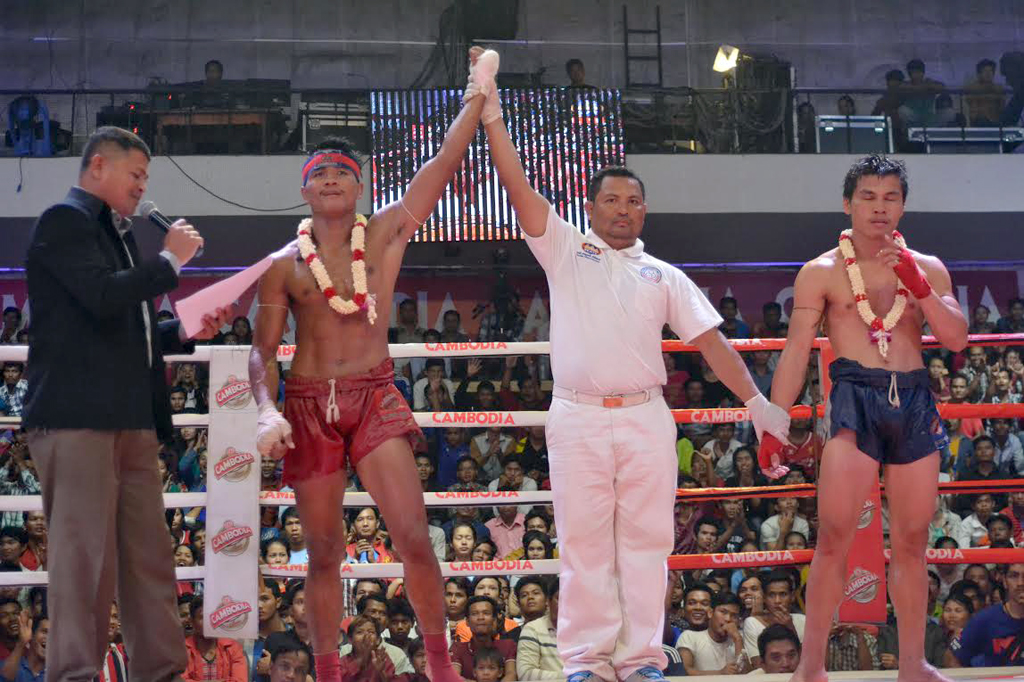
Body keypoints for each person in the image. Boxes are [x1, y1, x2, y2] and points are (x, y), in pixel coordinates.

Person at [478, 62, 790, 682]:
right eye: (611, 200)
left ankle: (642, 658)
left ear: (645, 210)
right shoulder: (564, 248)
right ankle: (586, 661)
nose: (623, 210)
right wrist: (490, 113)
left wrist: (756, 402)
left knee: (648, 544)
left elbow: (711, 344)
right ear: (590, 207)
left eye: (633, 201)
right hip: (577, 414)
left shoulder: (664, 275)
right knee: (585, 544)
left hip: (646, 416)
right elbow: (516, 185)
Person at [249, 48, 491, 682]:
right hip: (307, 402)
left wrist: (477, 94)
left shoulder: (384, 233)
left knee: (413, 537)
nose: (331, 178)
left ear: (361, 186)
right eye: (320, 172)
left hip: (375, 393)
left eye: (342, 171)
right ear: (304, 190)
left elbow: (442, 165)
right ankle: (329, 674)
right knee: (323, 552)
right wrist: (267, 410)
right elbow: (261, 352)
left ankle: (440, 668)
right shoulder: (282, 265)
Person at [21, 126, 229, 682]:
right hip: (77, 417)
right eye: (135, 174)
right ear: (98, 167)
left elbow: (122, 327)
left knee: (150, 558)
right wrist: (169, 262)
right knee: (84, 562)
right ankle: (75, 674)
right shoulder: (63, 221)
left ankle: (160, 671)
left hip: (131, 418)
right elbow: (102, 296)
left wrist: (184, 329)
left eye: (145, 177)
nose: (142, 187)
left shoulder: (117, 234)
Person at [762, 155, 968, 682]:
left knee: (913, 542)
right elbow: (796, 350)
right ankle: (810, 665)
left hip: (914, 398)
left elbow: (955, 339)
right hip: (854, 396)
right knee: (833, 537)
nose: (880, 208)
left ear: (903, 205)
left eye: (890, 197)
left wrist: (919, 286)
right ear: (848, 203)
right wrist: (774, 423)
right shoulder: (821, 271)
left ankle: (914, 664)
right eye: (869, 197)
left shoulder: (929, 266)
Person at [948, 562, 1024, 666]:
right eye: (1014, 576)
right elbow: (953, 657)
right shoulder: (984, 619)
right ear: (1005, 581)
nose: (1020, 583)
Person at [675, 592, 746, 675]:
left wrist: (738, 640)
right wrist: (720, 673)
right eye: (723, 612)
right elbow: (685, 671)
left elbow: (747, 675)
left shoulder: (739, 639)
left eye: (734, 615)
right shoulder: (689, 637)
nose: (728, 619)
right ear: (710, 613)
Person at [182, 596, 248, 682]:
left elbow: (240, 680)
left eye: (213, 616)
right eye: (203, 617)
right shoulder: (182, 649)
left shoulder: (233, 647)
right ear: (192, 621)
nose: (209, 621)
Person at [517, 579, 562, 680]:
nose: (530, 597)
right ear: (548, 601)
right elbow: (526, 674)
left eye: (536, 593)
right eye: (560, 598)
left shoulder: (587, 631)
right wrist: (573, 678)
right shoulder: (532, 629)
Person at [0, 611, 47, 682]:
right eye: (45, 632)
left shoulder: (58, 675)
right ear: (32, 634)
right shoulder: (5, 666)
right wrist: (22, 642)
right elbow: (5, 677)